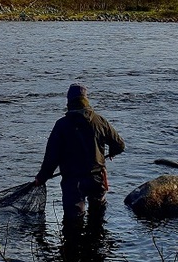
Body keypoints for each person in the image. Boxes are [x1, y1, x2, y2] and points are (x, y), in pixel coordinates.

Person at [34, 83, 125, 222]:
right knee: (98, 221)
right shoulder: (99, 121)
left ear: (69, 101)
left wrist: (42, 177)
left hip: (73, 182)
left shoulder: (61, 125)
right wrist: (112, 152)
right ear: (86, 99)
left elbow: (52, 157)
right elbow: (119, 145)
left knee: (73, 224)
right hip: (97, 179)